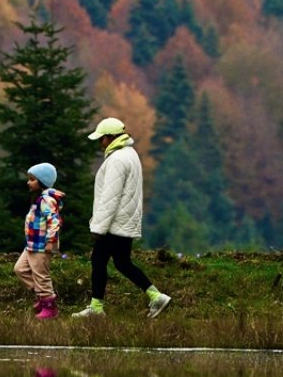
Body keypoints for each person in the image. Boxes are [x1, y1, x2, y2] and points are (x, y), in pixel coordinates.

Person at [72, 117, 172, 319]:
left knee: (98, 260)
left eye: (102, 139)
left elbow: (110, 197)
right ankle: (155, 296)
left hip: (113, 223)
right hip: (125, 221)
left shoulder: (117, 160)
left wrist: (98, 228)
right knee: (122, 263)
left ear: (110, 138)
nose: (100, 144)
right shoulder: (130, 154)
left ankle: (97, 309)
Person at [16, 163, 65, 320]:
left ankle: (50, 308)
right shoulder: (39, 199)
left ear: (42, 182)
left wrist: (51, 241)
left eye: (32, 179)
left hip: (42, 246)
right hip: (32, 244)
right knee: (20, 269)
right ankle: (41, 296)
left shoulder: (46, 200)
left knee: (41, 275)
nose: (28, 182)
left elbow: (54, 220)